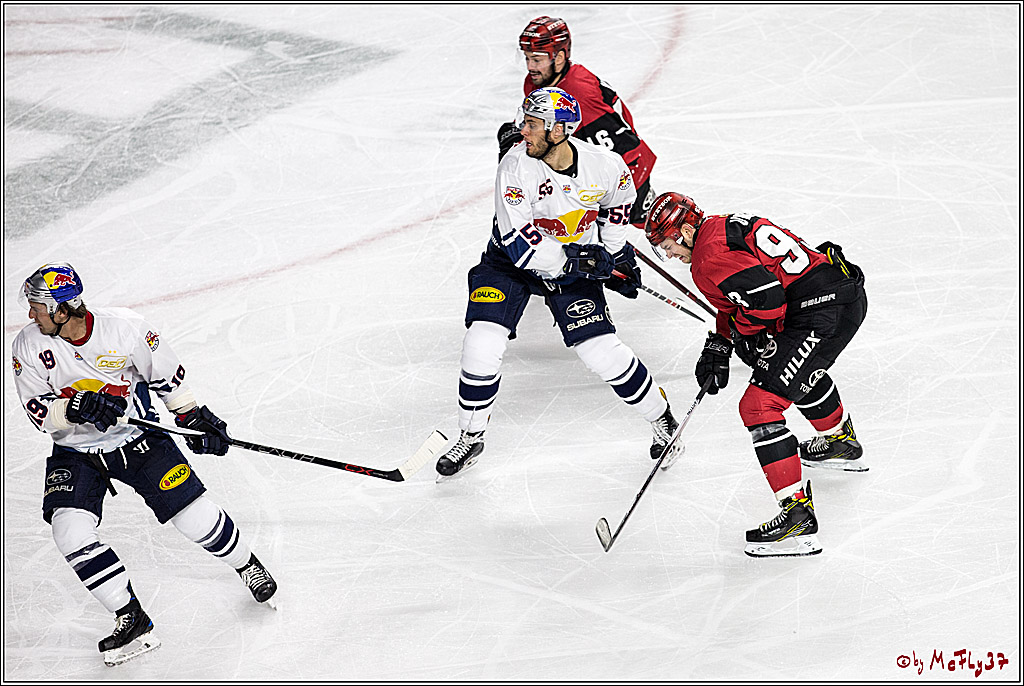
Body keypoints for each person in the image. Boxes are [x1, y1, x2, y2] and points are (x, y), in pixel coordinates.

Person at [11, 262, 277, 666]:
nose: (31, 314)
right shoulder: (28, 346)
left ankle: (247, 565)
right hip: (76, 452)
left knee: (193, 516)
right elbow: (38, 412)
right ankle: (130, 615)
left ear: (62, 310)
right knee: (68, 529)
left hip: (137, 439)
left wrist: (193, 418)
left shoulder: (125, 329)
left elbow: (166, 378)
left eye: (38, 306)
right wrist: (74, 408)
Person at [436, 87, 679, 478]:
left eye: (532, 125)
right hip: (509, 264)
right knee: (482, 342)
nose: (522, 131)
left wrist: (615, 256)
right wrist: (581, 261)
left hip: (575, 263)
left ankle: (662, 419)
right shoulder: (515, 167)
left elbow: (616, 207)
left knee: (601, 351)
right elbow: (520, 245)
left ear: (559, 130)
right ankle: (471, 435)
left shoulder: (605, 165)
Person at [643, 193, 868, 557]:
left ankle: (797, 516)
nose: (669, 255)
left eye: (668, 246)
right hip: (836, 294)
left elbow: (767, 303)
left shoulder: (706, 259)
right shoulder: (718, 227)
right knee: (786, 369)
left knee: (759, 405)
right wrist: (721, 340)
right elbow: (738, 298)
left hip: (820, 311)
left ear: (684, 231)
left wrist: (742, 335)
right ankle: (839, 440)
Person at [497, 16, 658, 230]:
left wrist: (615, 194)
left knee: (653, 229)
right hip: (585, 170)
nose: (530, 67)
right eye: (527, 58)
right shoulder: (537, 82)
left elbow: (622, 147)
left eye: (537, 60)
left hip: (629, 168)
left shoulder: (579, 93)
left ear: (559, 57)